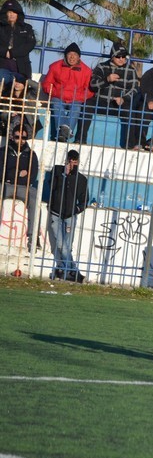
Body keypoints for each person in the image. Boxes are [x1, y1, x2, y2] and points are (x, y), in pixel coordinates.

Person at [79, 43, 138, 146]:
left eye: (124, 56)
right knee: (87, 105)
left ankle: (130, 145)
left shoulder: (131, 70)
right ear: (112, 56)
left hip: (119, 104)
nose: (121, 59)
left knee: (130, 112)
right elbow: (93, 84)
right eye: (118, 56)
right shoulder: (102, 67)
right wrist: (107, 80)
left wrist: (123, 98)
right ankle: (80, 139)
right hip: (101, 101)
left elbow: (134, 89)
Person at [46, 149, 89, 282]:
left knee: (67, 245)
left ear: (78, 162)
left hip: (70, 216)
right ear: (66, 161)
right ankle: (73, 271)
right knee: (60, 244)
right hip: (56, 213)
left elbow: (84, 200)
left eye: (75, 162)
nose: (72, 164)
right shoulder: (57, 171)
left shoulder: (81, 179)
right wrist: (63, 176)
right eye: (70, 161)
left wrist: (75, 209)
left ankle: (63, 270)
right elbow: (52, 187)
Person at [41, 42, 93, 142]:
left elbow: (89, 90)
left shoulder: (86, 71)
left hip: (76, 99)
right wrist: (55, 92)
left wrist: (80, 97)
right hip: (58, 97)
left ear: (79, 57)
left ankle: (62, 134)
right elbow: (47, 84)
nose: (72, 57)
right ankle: (65, 134)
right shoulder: (55, 66)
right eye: (70, 54)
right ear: (65, 55)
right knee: (56, 104)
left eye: (75, 55)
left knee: (76, 108)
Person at [2, 116, 40, 251]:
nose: (21, 140)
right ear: (12, 137)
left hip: (24, 187)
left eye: (23, 137)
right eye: (18, 137)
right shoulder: (3, 151)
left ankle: (34, 238)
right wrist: (19, 173)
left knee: (35, 196)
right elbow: (1, 172)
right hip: (6, 186)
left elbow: (32, 176)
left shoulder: (31, 154)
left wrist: (11, 174)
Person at [0, 0, 36, 86]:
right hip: (2, 64)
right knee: (3, 78)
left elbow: (30, 44)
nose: (12, 14)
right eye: (9, 12)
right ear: (5, 14)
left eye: (14, 12)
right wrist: (4, 52)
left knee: (23, 85)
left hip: (21, 66)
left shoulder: (27, 28)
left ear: (18, 14)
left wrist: (12, 53)